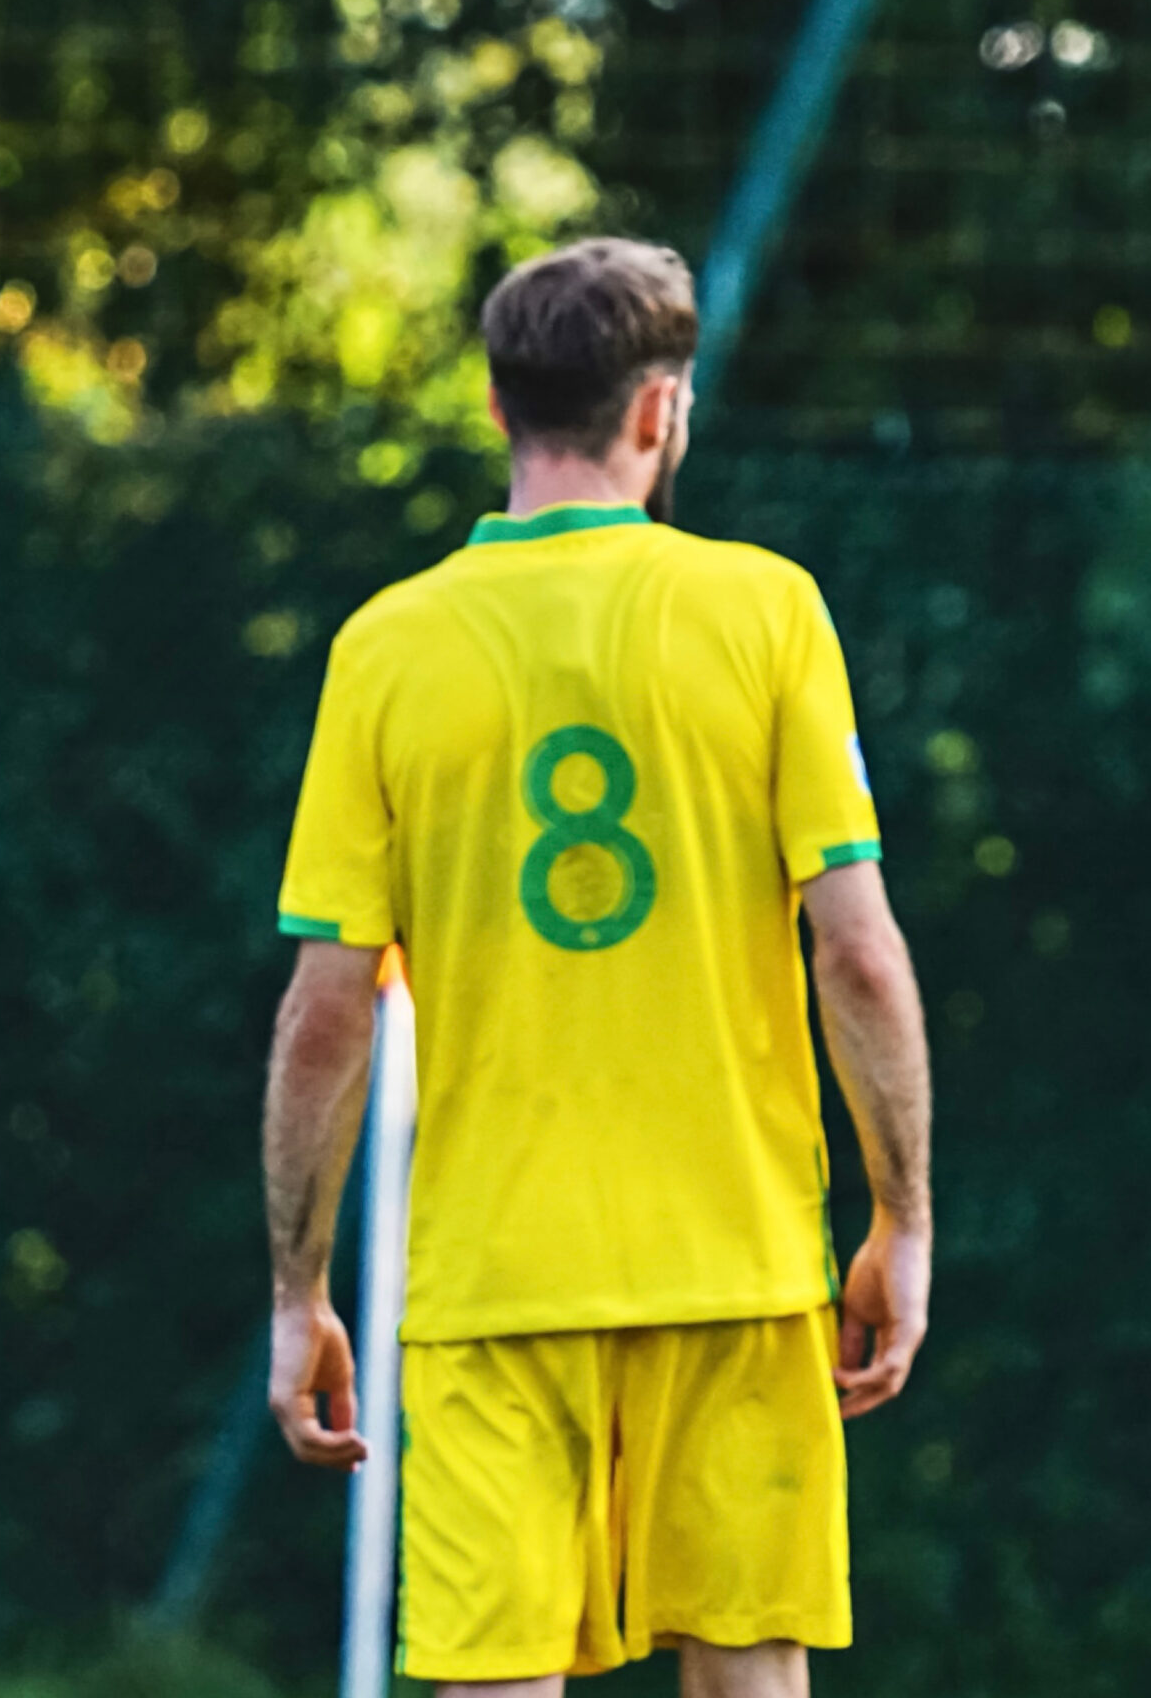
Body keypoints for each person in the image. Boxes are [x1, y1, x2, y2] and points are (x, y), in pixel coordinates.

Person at [260, 237, 933, 1698]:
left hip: (495, 1285)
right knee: (749, 1675)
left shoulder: (388, 648)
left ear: (500, 411)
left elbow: (329, 1012)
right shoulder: (766, 612)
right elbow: (860, 956)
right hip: (741, 1270)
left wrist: (297, 1289)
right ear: (658, 413)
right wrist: (903, 1218)